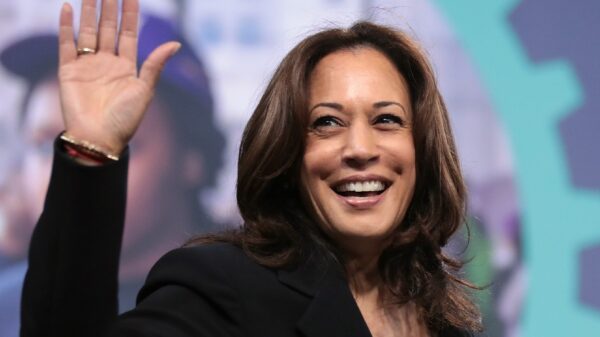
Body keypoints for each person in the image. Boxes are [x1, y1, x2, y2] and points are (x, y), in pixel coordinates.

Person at [21, 0, 482, 336]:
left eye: (386, 120)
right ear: (288, 156)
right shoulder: (223, 287)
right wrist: (93, 152)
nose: (359, 147)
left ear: (421, 149)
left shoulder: (449, 324)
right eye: (326, 122)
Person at [0, 12, 225, 336]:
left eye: (117, 142)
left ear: (192, 157)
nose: (69, 169)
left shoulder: (250, 307)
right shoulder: (9, 307)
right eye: (45, 145)